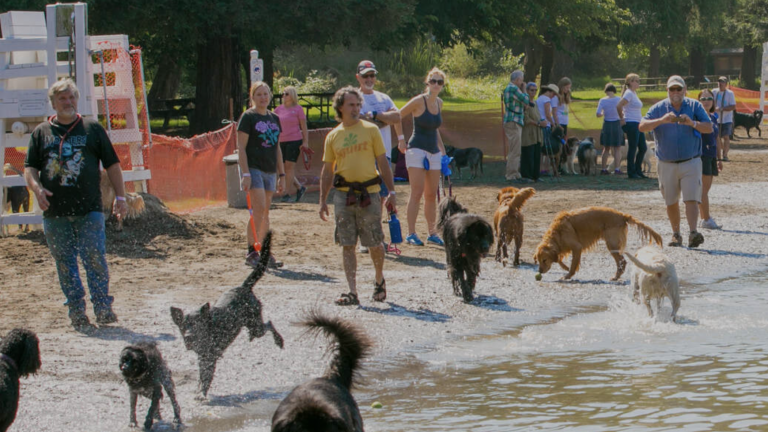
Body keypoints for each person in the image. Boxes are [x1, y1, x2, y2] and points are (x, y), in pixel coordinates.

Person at [24, 78, 127, 330]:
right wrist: (37, 190)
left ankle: (102, 307)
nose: (68, 102)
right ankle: (76, 311)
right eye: (62, 98)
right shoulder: (41, 132)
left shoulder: (92, 129)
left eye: (71, 97)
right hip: (54, 211)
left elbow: (113, 164)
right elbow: (30, 168)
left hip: (89, 208)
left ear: (77, 99)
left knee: (94, 256)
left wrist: (121, 197)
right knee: (65, 261)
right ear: (53, 103)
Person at [318, 86, 397, 306]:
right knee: (347, 243)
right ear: (340, 107)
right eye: (351, 105)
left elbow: (383, 162)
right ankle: (352, 291)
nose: (355, 109)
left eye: (357, 105)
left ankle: (379, 279)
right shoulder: (333, 136)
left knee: (375, 242)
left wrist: (391, 192)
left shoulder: (371, 130)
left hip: (370, 194)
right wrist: (322, 201)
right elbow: (327, 170)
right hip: (343, 196)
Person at [639, 75, 713, 248]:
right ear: (667, 90)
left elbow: (708, 127)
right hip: (666, 162)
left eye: (679, 89)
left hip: (691, 161)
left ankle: (693, 232)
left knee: (691, 199)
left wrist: (692, 123)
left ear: (685, 89)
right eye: (672, 89)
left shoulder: (695, 106)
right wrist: (661, 120)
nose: (676, 92)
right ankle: (676, 234)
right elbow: (642, 126)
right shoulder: (659, 108)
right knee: (671, 200)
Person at [355, 60, 405, 253]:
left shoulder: (384, 97)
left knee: (383, 196)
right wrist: (382, 119)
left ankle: (376, 237)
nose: (369, 79)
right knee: (365, 197)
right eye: (365, 75)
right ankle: (364, 238)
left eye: (372, 75)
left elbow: (397, 117)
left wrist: (375, 114)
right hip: (363, 154)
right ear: (358, 77)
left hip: (383, 153)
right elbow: (359, 120)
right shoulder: (355, 97)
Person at [238, 81, 285, 269]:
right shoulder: (248, 117)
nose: (263, 98)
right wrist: (246, 173)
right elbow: (241, 147)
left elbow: (277, 148)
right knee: (258, 209)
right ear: (252, 97)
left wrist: (282, 174)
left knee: (265, 212)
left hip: (270, 169)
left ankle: (265, 252)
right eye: (259, 94)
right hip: (254, 168)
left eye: (266, 94)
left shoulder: (274, 118)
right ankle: (252, 251)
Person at [398, 67, 448, 246]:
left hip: (433, 151)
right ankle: (411, 233)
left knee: (431, 194)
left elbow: (436, 130)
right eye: (433, 81)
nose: (436, 85)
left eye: (439, 82)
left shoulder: (440, 103)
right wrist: (401, 139)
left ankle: (432, 232)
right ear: (427, 83)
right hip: (416, 149)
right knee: (416, 192)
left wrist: (443, 151)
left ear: (442, 85)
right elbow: (397, 115)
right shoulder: (419, 101)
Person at [274, 86, 308, 203]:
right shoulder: (277, 110)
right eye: (283, 93)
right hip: (281, 141)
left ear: (292, 95)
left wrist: (305, 142)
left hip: (294, 140)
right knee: (282, 168)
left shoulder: (298, 109)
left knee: (289, 166)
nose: (284, 95)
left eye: (286, 93)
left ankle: (286, 193)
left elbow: (303, 127)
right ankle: (299, 187)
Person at [697, 89, 723, 230]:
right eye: (703, 98)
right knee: (703, 190)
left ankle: (703, 217)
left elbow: (717, 139)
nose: (706, 101)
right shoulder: (698, 118)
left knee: (705, 190)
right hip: (702, 155)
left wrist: (720, 159)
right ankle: (706, 219)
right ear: (699, 101)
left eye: (709, 98)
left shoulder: (713, 117)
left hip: (711, 155)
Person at [617, 73, 648, 179]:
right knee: (633, 147)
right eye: (636, 81)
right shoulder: (629, 93)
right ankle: (631, 172)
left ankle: (638, 169)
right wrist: (622, 118)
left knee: (643, 147)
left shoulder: (633, 93)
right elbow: (619, 105)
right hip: (631, 123)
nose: (638, 83)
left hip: (638, 123)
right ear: (630, 82)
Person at [502, 70, 530, 182]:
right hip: (513, 121)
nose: (522, 82)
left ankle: (515, 173)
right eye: (521, 80)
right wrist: (524, 90)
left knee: (516, 149)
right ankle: (511, 174)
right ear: (517, 79)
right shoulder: (513, 88)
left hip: (513, 121)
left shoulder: (510, 88)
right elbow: (526, 100)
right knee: (514, 149)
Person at [596, 83, 623, 175]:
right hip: (616, 123)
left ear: (606, 91)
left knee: (606, 148)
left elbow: (598, 114)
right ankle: (617, 169)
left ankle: (603, 169)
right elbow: (622, 110)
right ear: (614, 90)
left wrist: (604, 113)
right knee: (617, 148)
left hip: (607, 124)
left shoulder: (602, 100)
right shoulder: (619, 99)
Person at [521, 82, 544, 182]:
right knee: (528, 154)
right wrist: (538, 123)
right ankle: (527, 176)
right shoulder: (524, 103)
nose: (534, 92)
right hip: (528, 133)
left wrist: (542, 122)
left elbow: (538, 116)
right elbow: (525, 119)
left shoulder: (535, 103)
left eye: (535, 90)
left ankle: (536, 176)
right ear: (527, 91)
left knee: (536, 154)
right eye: (531, 90)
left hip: (537, 133)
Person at [712, 76, 736, 161]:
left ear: (726, 84)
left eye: (722, 82)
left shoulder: (730, 93)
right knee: (717, 137)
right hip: (716, 118)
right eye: (719, 82)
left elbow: (733, 106)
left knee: (726, 137)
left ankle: (725, 155)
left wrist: (722, 108)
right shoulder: (714, 92)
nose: (720, 84)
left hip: (727, 119)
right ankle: (718, 153)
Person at [536, 83, 558, 176]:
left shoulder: (539, 98)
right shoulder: (547, 99)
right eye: (554, 94)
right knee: (547, 149)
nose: (553, 96)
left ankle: (539, 168)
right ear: (550, 92)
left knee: (540, 149)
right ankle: (545, 169)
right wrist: (553, 124)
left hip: (539, 124)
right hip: (545, 125)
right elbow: (548, 114)